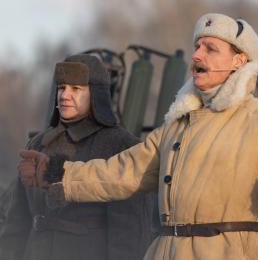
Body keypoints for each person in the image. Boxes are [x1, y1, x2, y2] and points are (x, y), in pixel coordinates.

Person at [20, 13, 258, 260]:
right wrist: (58, 172)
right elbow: (122, 172)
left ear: (239, 61)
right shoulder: (178, 123)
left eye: (210, 49)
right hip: (167, 251)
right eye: (197, 47)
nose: (197, 56)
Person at [0, 54, 157, 260]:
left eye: (76, 89)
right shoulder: (37, 145)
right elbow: (16, 224)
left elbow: (129, 237)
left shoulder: (124, 148)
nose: (65, 95)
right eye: (62, 87)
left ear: (96, 95)